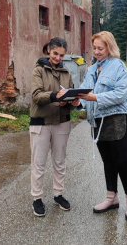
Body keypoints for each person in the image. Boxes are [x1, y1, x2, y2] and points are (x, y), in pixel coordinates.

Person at [78, 31, 127, 221]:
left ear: (109, 47)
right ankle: (112, 198)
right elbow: (84, 95)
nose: (96, 51)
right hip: (97, 121)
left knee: (122, 162)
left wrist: (95, 97)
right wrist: (76, 102)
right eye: (94, 48)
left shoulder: (119, 67)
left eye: (100, 48)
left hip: (117, 121)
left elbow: (121, 94)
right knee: (108, 162)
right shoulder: (91, 70)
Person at [30, 37, 80, 217]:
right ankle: (37, 198)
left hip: (62, 122)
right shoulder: (38, 70)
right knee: (39, 163)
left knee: (59, 162)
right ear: (48, 51)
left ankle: (58, 195)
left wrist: (73, 101)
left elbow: (72, 93)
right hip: (41, 123)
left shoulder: (67, 73)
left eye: (61, 55)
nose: (58, 58)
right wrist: (55, 96)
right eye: (55, 54)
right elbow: (36, 96)